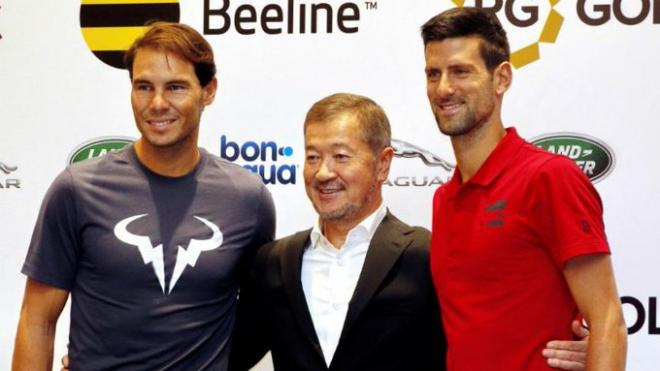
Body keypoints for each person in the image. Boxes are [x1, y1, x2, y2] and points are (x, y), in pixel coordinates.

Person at [229, 93, 591, 371]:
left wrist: (579, 347)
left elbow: (490, 332)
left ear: (383, 164)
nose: (323, 173)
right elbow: (222, 352)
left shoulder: (428, 254)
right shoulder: (273, 262)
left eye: (340, 157)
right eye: (312, 157)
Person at [12, 22, 275, 370]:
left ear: (208, 91)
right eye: (143, 87)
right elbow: (37, 320)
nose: (157, 103)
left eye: (176, 87)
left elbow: (259, 321)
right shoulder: (78, 189)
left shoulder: (248, 199)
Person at [421, 7, 627, 370]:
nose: (443, 88)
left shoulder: (549, 178)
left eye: (460, 72)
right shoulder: (444, 198)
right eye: (433, 74)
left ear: (501, 79)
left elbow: (608, 321)